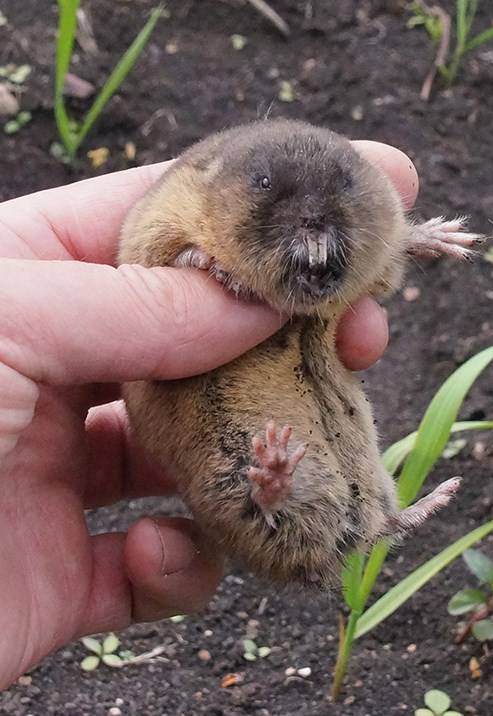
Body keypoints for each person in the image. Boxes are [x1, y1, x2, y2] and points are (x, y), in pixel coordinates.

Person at [0, 140, 418, 690]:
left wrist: (406, 239)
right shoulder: (183, 210)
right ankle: (276, 500)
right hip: (213, 409)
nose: (312, 220)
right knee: (256, 471)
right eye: (270, 190)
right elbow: (150, 243)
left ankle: (358, 509)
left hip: (278, 395)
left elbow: (379, 265)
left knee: (320, 436)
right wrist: (187, 271)